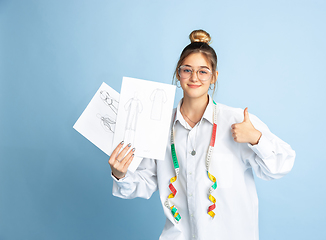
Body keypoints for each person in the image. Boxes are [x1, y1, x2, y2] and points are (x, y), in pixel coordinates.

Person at [108, 29, 296, 240]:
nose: (194, 77)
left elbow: (281, 166)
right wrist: (120, 174)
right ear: (178, 74)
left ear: (214, 77)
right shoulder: (159, 126)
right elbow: (143, 183)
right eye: (187, 70)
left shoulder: (237, 121)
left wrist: (256, 138)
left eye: (203, 71)